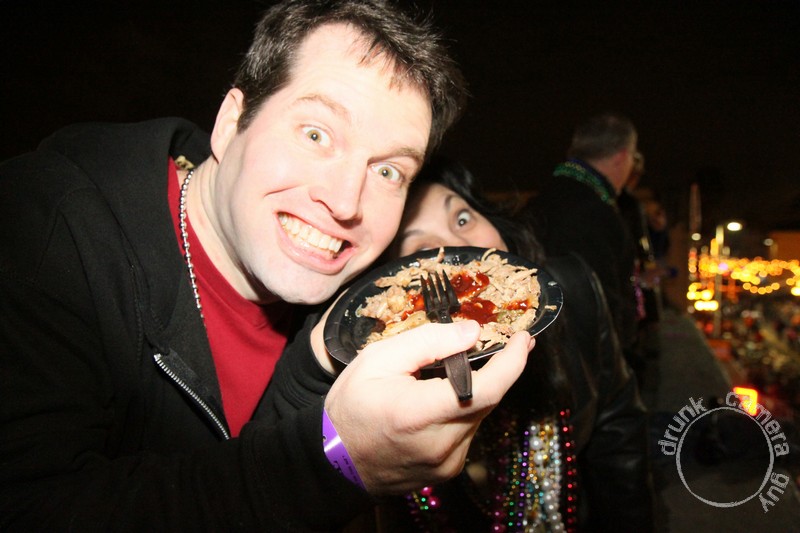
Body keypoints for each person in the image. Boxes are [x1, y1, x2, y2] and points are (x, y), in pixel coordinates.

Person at [0, 1, 535, 530]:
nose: (346, 202)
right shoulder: (42, 231)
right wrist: (333, 462)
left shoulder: (356, 310)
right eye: (316, 135)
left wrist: (312, 369)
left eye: (388, 171)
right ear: (231, 122)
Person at [271, 156, 654, 531]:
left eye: (462, 219)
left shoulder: (574, 291)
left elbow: (619, 436)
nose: (455, 250)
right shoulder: (366, 387)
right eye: (418, 246)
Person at [529, 112, 644, 384]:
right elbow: (603, 305)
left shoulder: (543, 200)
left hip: (545, 360)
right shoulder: (596, 214)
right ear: (622, 156)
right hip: (586, 373)